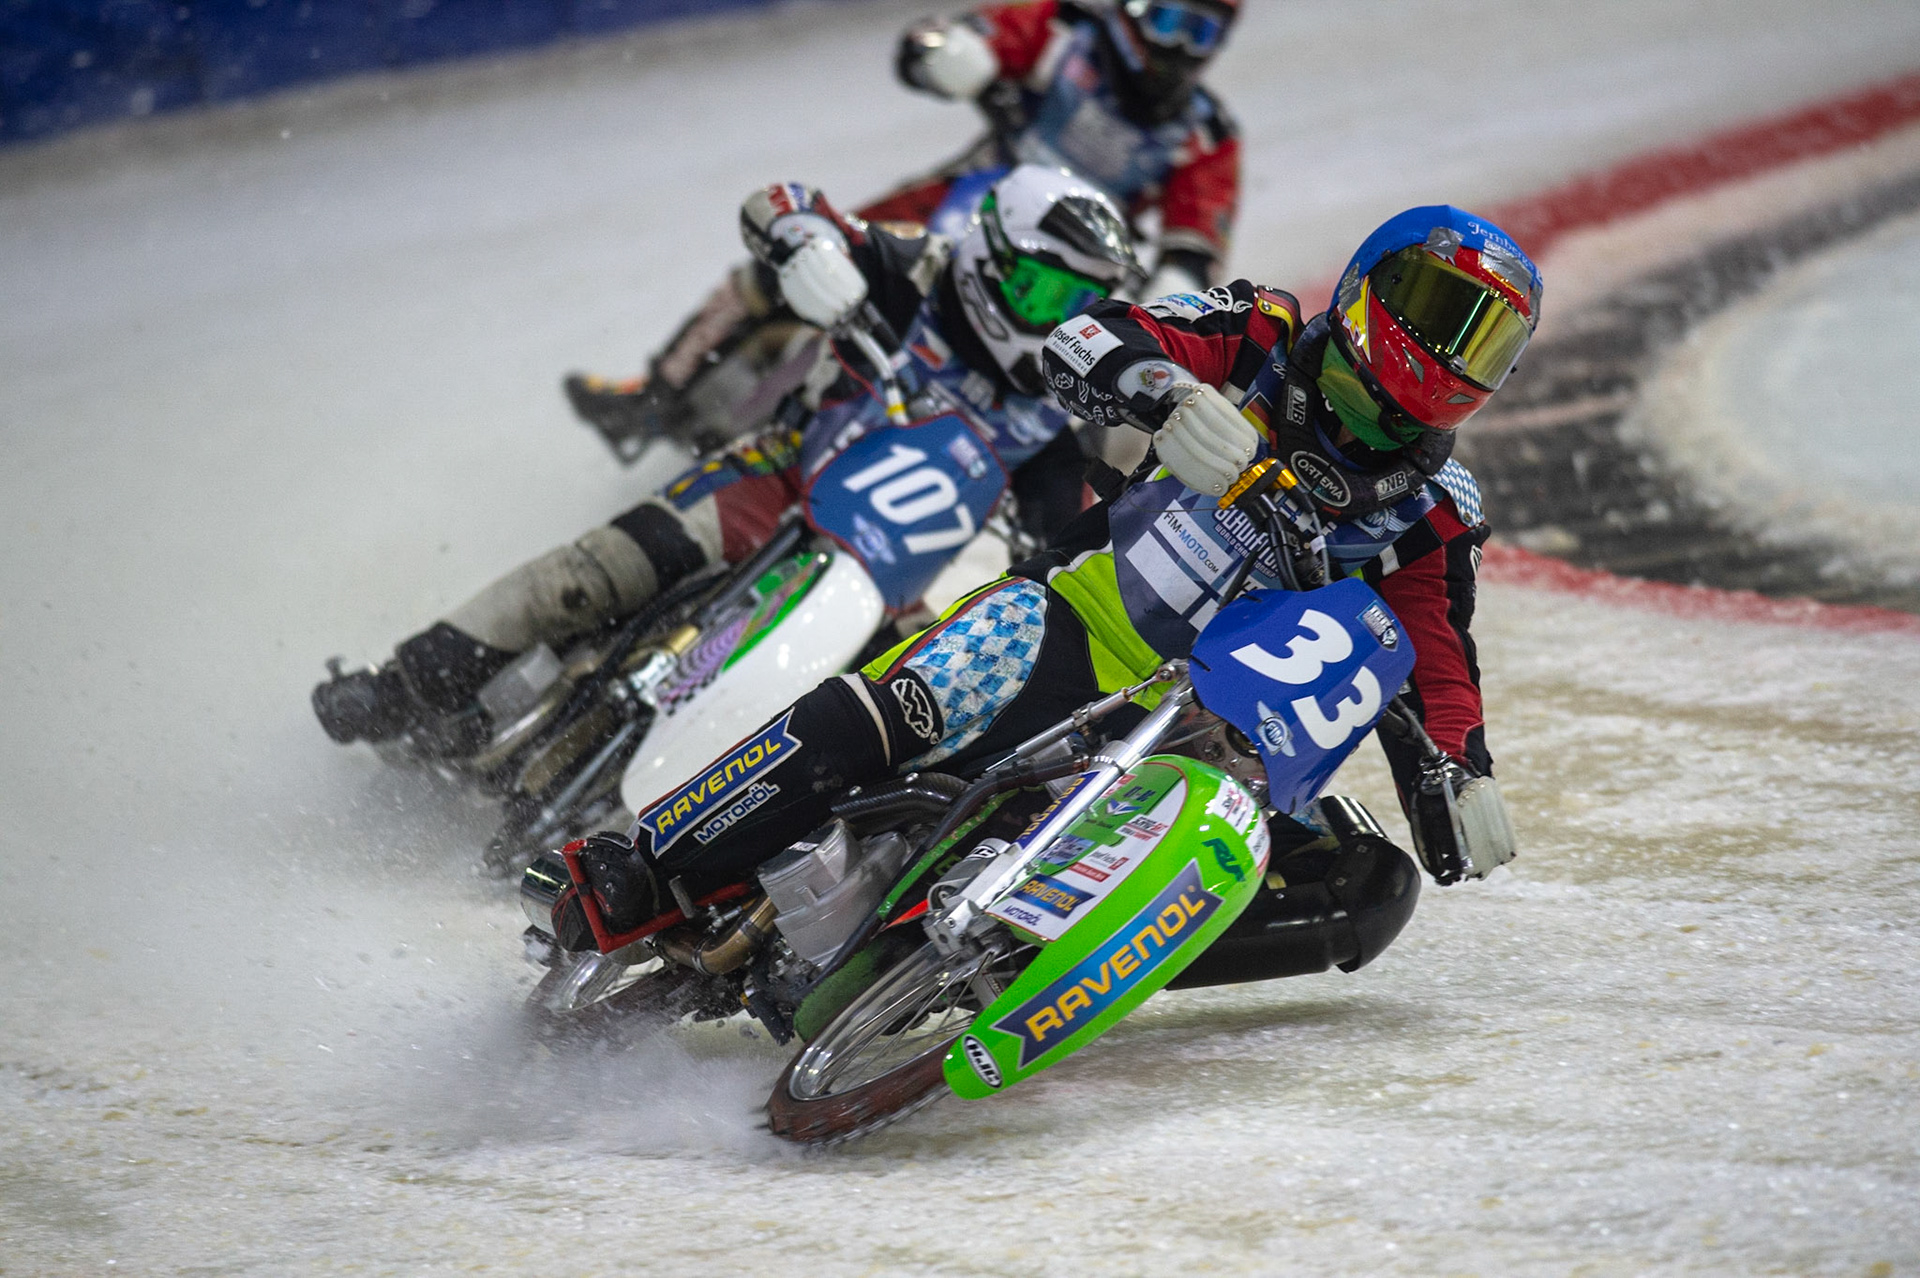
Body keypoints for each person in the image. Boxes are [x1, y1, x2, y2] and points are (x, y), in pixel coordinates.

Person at [548, 204, 1542, 984]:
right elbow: (1088, 339)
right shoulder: (1262, 334)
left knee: (1366, 886)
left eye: (1487, 340)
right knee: (898, 709)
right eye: (1442, 311)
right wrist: (1171, 399)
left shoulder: (1438, 510)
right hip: (1073, 616)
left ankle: (1024, 974)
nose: (1454, 354)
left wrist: (1461, 773)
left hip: (1219, 732)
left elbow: (1435, 655)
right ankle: (649, 861)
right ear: (1372, 288)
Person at [313, 165, 1140, 754]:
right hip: (777, 476)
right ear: (991, 254)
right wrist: (808, 248)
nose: (1051, 321)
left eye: (1075, 304)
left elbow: (1063, 540)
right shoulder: (910, 267)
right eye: (1044, 291)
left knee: (873, 720)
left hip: (891, 576)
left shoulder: (1058, 414)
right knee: (590, 575)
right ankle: (400, 687)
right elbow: (783, 202)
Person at [565, 0, 1241, 454]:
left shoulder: (1207, 135)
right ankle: (656, 394)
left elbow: (1197, 243)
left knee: (1068, 406)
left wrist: (1174, 284)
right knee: (798, 253)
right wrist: (953, 54)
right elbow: (936, 40)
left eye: (1200, 31)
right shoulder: (1062, 33)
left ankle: (1021, 526)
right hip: (968, 200)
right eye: (1166, 17)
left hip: (1061, 280)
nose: (1176, 47)